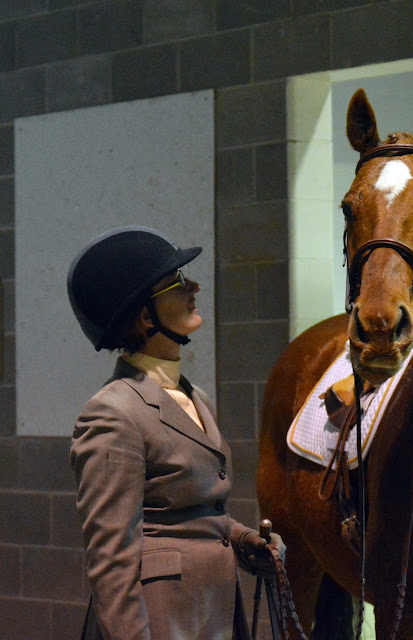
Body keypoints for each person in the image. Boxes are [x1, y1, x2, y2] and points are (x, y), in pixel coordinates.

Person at [67, 226, 285, 640]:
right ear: (145, 315)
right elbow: (112, 564)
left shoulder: (195, 396)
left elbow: (193, 515)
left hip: (214, 613)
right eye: (177, 281)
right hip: (162, 621)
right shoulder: (112, 414)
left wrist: (243, 542)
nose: (193, 288)